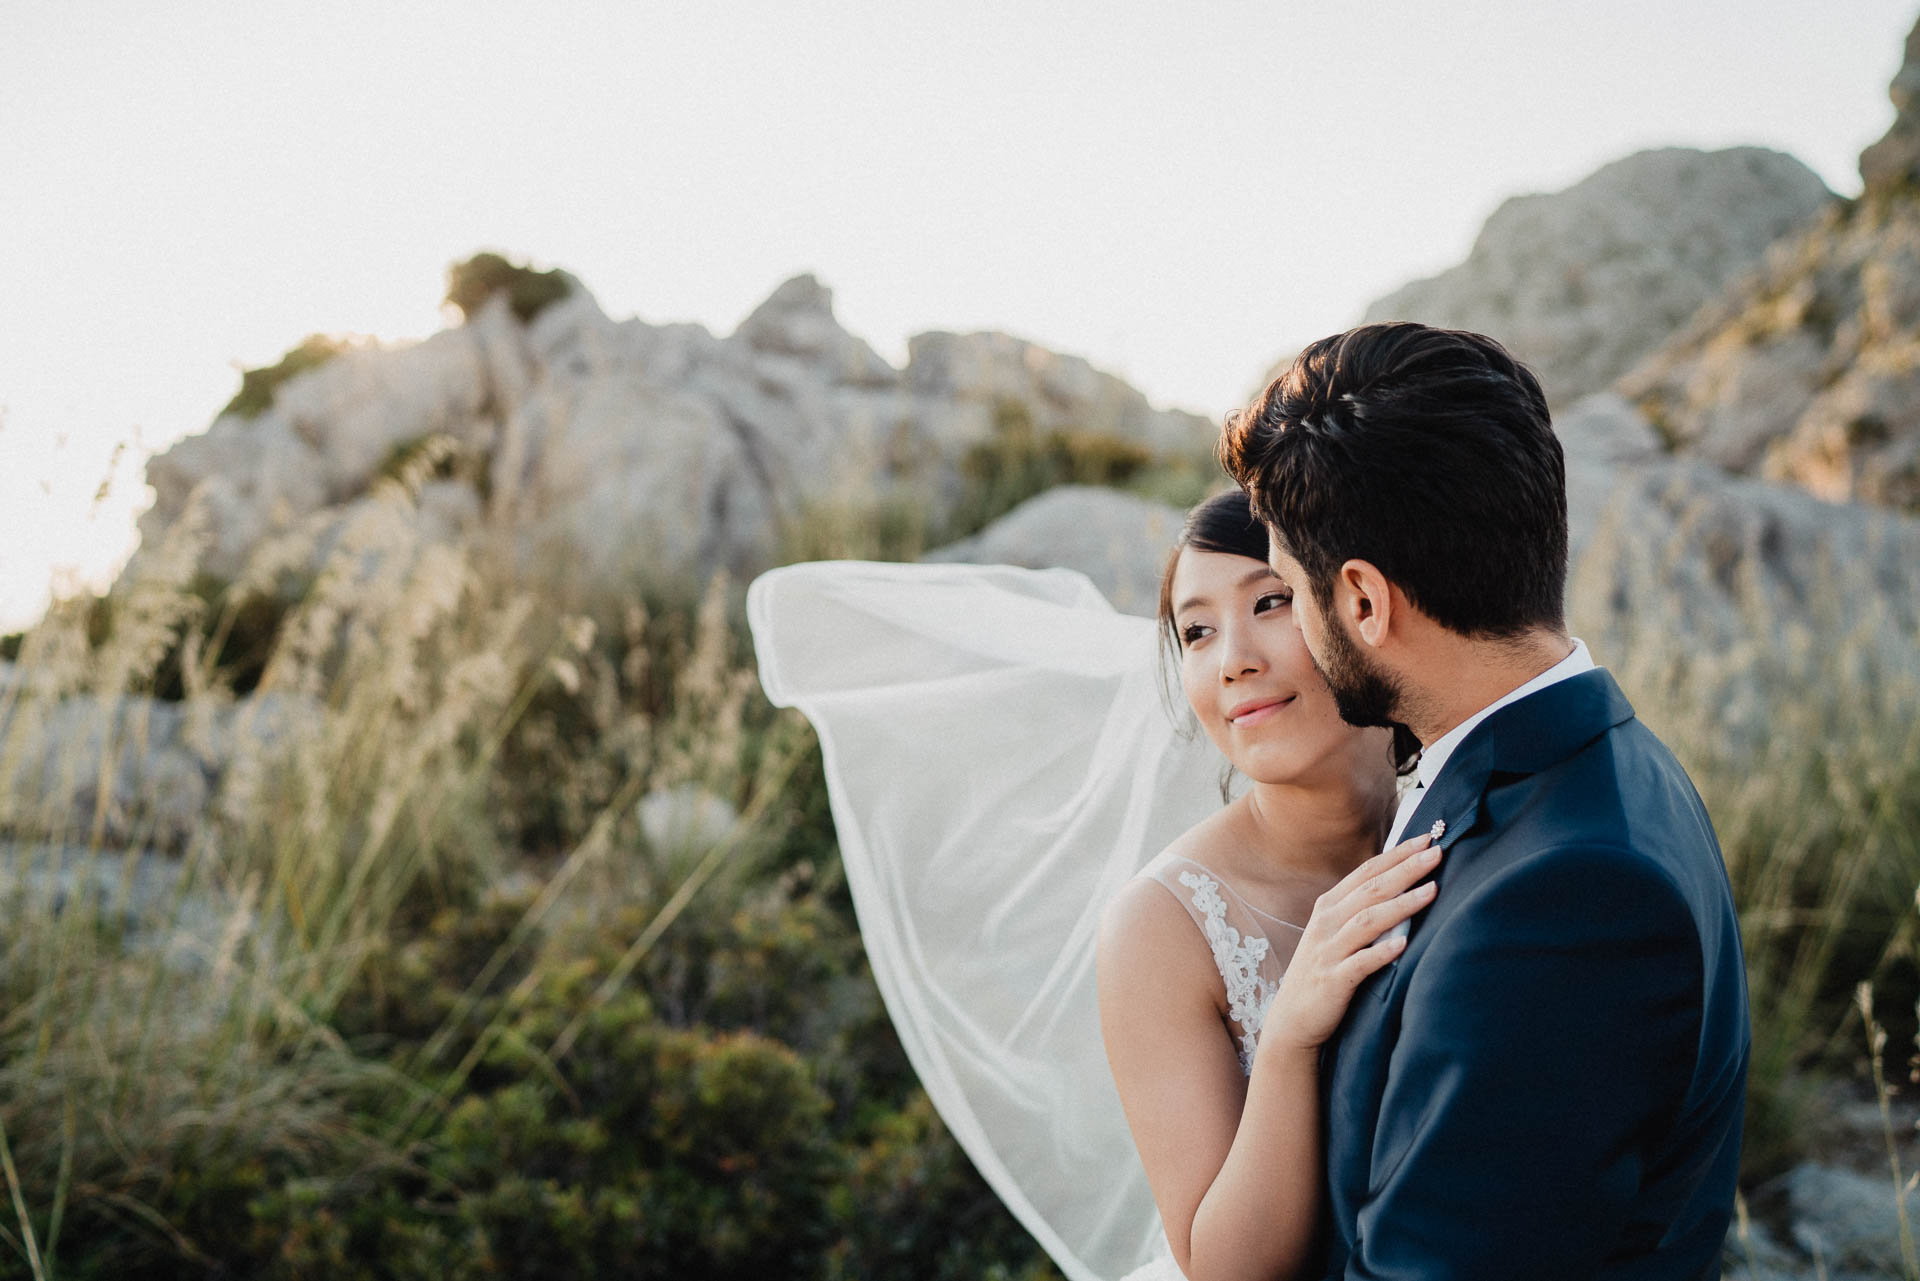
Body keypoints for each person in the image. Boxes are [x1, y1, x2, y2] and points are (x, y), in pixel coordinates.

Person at [747, 490, 1443, 1281]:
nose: (1233, 659)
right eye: (1197, 631)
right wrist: (1287, 1038)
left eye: (1272, 602)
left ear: (1358, 604)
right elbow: (1225, 1269)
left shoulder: (1466, 805)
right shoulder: (1165, 926)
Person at [1218, 321, 1749, 1281]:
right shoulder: (1606, 761)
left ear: (1366, 602)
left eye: (1291, 592)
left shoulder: (1564, 901)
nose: (1291, 629)